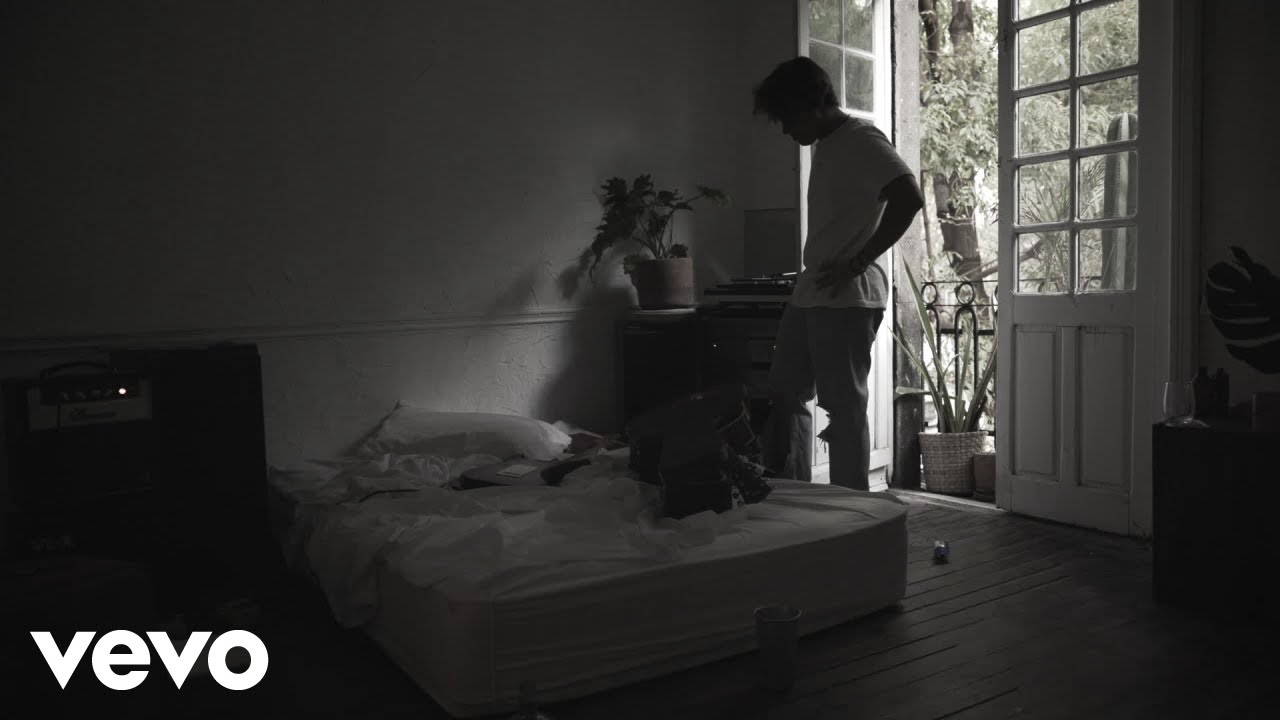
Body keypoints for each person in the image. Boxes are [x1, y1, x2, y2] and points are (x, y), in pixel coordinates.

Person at [753, 56, 924, 491]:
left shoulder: (861, 139)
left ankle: (853, 509)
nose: (785, 131)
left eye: (787, 119)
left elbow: (909, 197)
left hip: (848, 295)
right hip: (812, 290)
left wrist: (858, 260)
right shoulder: (826, 144)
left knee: (843, 407)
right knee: (785, 390)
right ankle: (793, 494)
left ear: (811, 105)